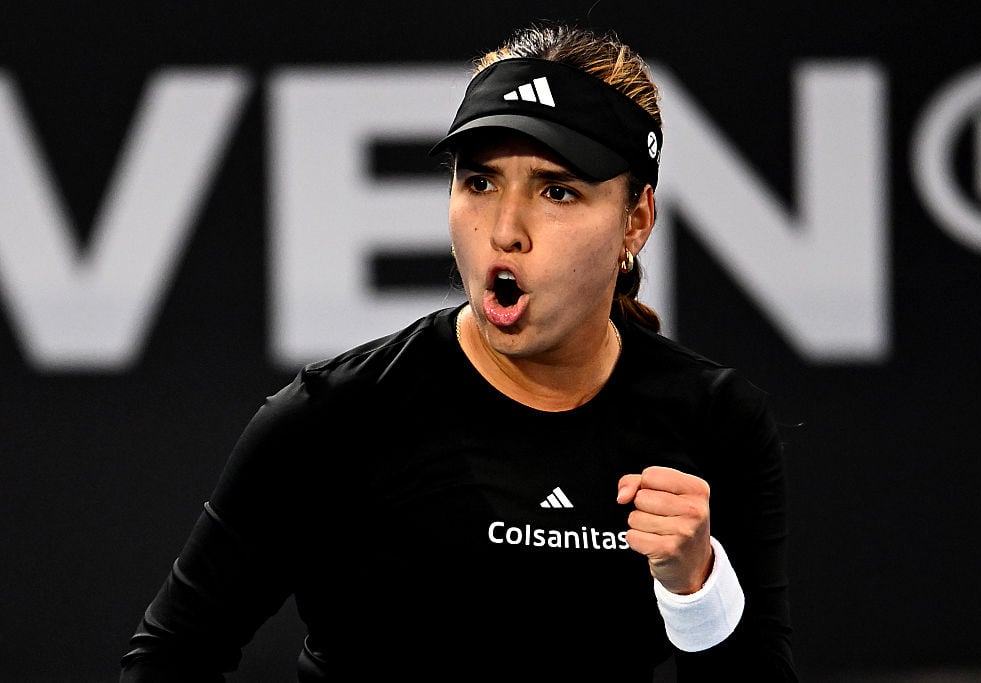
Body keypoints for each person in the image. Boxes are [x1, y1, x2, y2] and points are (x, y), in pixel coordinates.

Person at [119, 21, 797, 682]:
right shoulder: (332, 419)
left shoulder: (715, 423)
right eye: (479, 182)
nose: (505, 230)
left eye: (556, 190)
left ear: (636, 219)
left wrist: (696, 589)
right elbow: (169, 657)